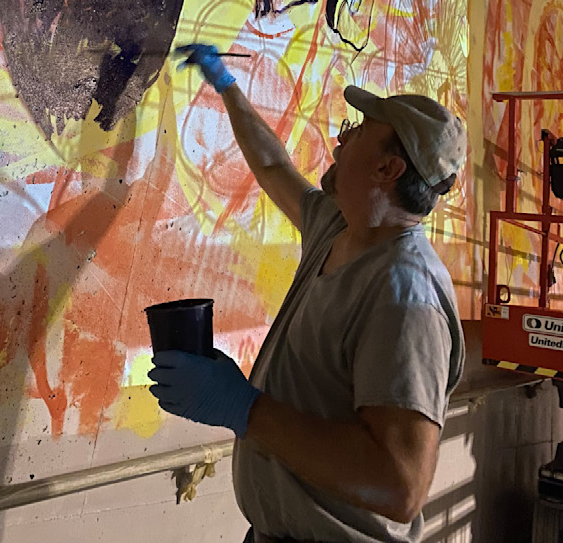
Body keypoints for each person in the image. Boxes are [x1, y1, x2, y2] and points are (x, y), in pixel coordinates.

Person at [148, 43, 467, 543]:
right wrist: (227, 86)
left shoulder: (404, 295)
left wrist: (244, 408)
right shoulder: (338, 227)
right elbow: (273, 167)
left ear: (388, 170)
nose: (342, 137)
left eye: (359, 131)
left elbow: (399, 484)